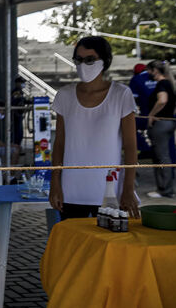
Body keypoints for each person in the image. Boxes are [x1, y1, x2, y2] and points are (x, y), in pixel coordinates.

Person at [49, 36, 140, 221]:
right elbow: (59, 144)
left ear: (104, 61)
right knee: (74, 248)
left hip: (109, 191)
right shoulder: (64, 96)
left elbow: (130, 146)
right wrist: (55, 183)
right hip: (70, 191)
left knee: (110, 247)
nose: (83, 65)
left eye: (90, 59)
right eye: (79, 60)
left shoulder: (121, 94)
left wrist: (128, 188)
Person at [145, 60, 176, 198]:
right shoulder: (170, 83)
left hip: (161, 124)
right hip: (168, 122)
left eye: (149, 70)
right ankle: (164, 188)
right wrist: (172, 112)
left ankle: (165, 190)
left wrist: (151, 115)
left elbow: (162, 100)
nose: (147, 73)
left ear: (155, 70)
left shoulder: (162, 84)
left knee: (162, 157)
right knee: (162, 156)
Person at [128, 63, 156, 157]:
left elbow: (132, 99)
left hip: (148, 114)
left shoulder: (136, 79)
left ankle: (145, 149)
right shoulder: (156, 75)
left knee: (129, 127)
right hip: (164, 115)